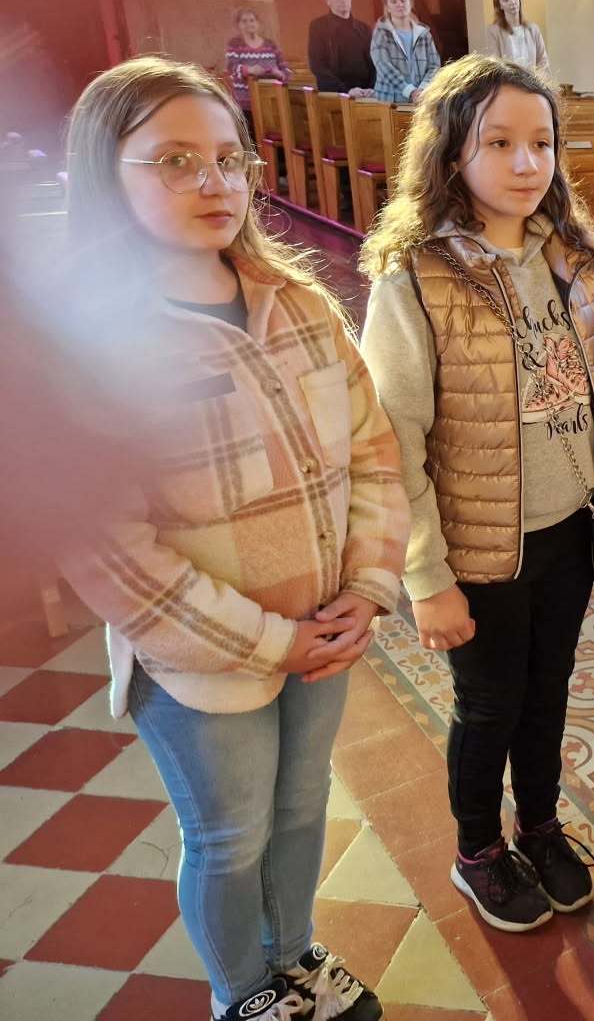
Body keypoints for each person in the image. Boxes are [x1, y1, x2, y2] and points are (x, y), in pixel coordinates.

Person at [58, 56, 407, 1021]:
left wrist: (368, 589)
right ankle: (243, 995)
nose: (213, 182)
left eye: (228, 158)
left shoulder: (297, 304)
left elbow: (373, 453)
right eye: (174, 160)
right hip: (203, 660)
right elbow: (116, 557)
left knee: (301, 810)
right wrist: (270, 642)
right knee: (228, 836)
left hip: (327, 627)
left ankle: (292, 956)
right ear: (105, 175)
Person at [360, 55, 594, 932]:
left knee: (549, 688)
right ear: (452, 152)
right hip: (478, 543)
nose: (527, 164)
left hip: (568, 527)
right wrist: (426, 577)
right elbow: (393, 441)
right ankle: (478, 850)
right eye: (499, 143)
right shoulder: (415, 276)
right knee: (489, 704)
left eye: (542, 143)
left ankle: (541, 825)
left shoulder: (574, 259)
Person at [370, 0, 441, 105]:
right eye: (393, 1)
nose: (399, 4)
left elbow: (434, 65)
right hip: (390, 101)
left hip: (421, 99)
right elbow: (383, 66)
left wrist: (422, 90)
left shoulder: (424, 33)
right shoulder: (381, 33)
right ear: (387, 7)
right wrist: (410, 91)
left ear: (410, 3)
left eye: (403, 0)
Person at [308, 0, 375, 96]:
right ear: (328, 0)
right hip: (335, 94)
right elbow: (317, 65)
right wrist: (345, 90)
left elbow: (374, 62)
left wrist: (372, 88)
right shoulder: (318, 26)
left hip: (366, 93)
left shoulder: (364, 28)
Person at [223, 7, 292, 113]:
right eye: (244, 21)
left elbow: (286, 71)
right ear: (238, 25)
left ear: (258, 23)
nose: (249, 24)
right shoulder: (235, 44)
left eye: (252, 20)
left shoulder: (270, 44)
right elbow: (231, 68)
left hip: (272, 101)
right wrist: (249, 70)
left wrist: (280, 74)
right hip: (245, 104)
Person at [485, 0, 550, 76]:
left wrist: (536, 80)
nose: (512, 2)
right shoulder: (493, 31)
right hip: (508, 83)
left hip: (533, 82)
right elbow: (495, 66)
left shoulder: (533, 29)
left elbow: (543, 61)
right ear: (500, 6)